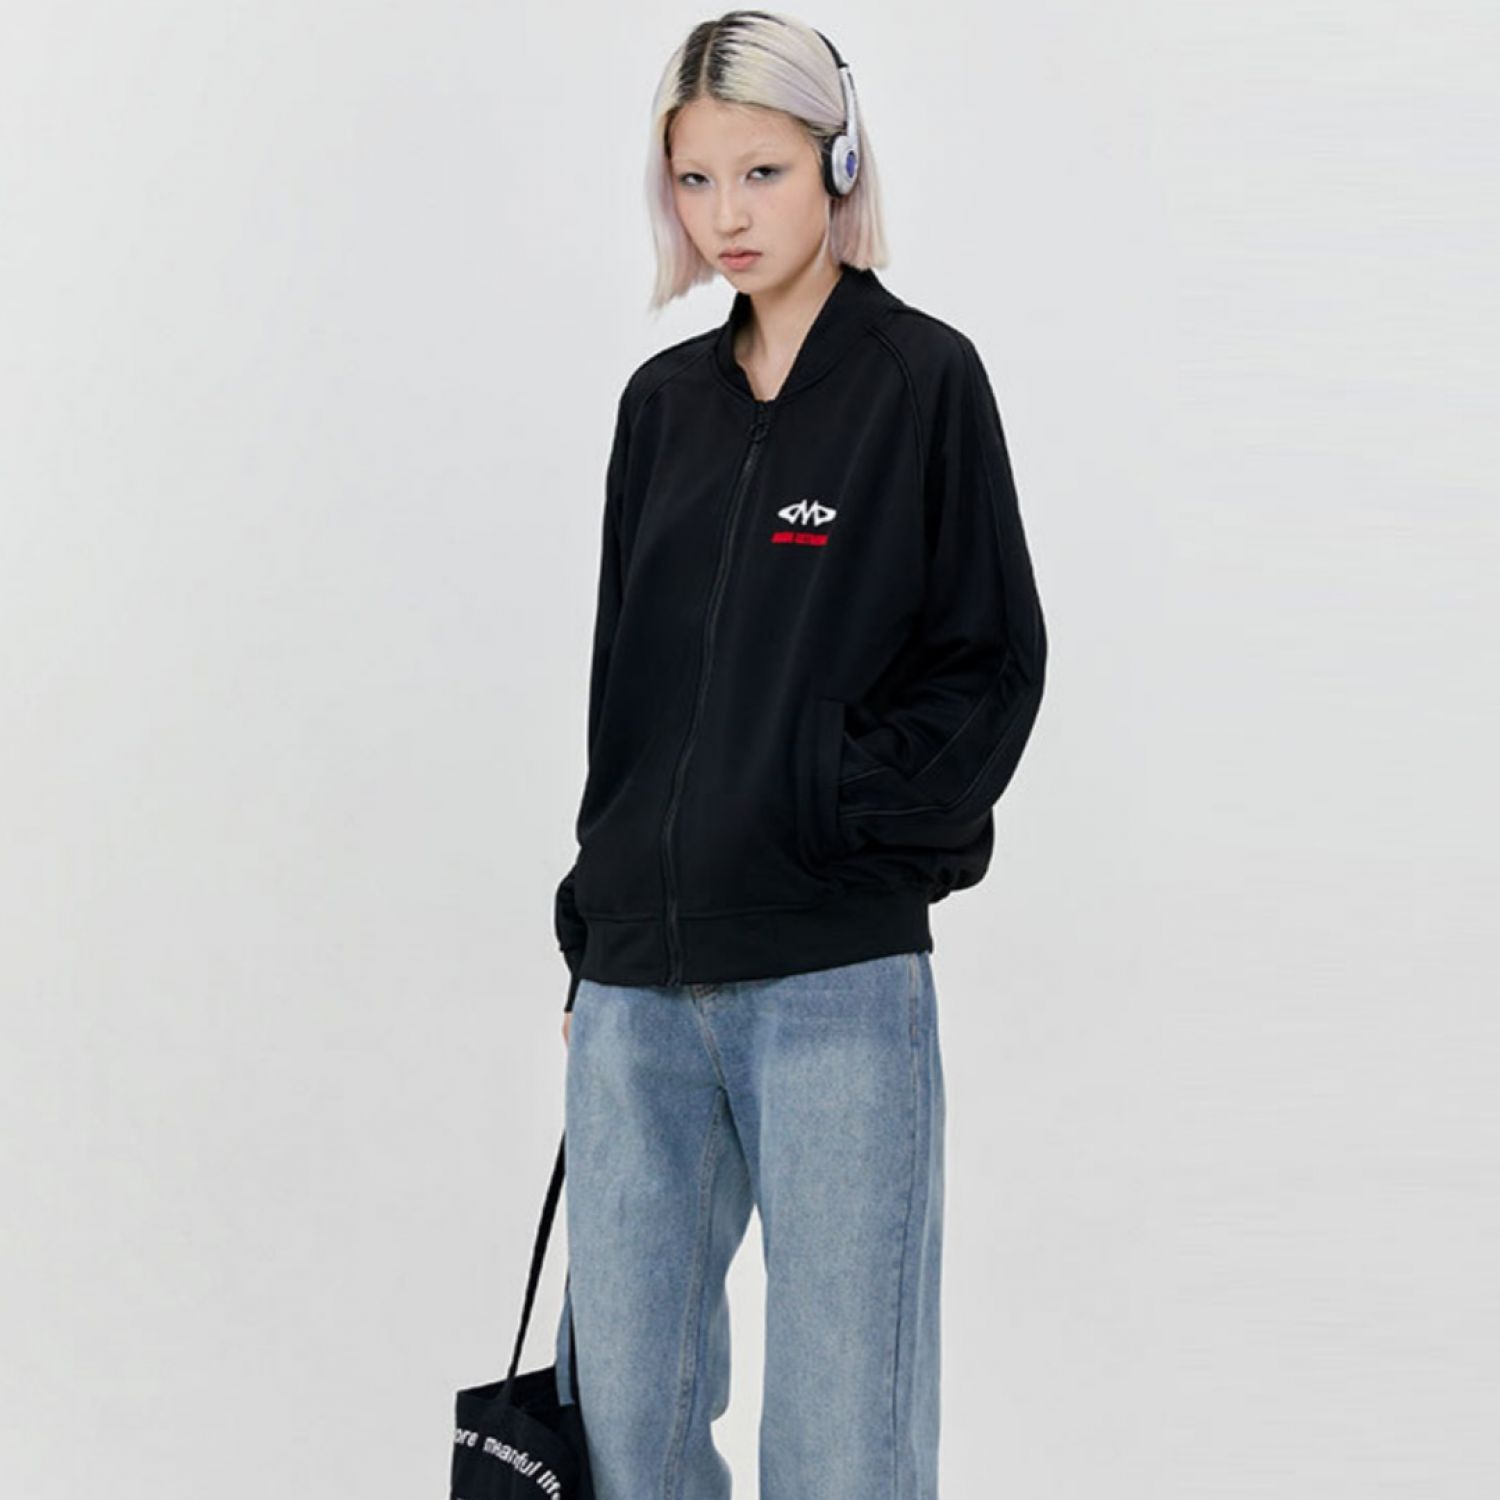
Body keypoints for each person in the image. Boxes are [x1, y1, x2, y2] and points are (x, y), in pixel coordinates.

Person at [550, 11, 1047, 1497]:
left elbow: (992, 663)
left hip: (835, 986)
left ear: (837, 164)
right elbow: (623, 694)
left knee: (844, 1439)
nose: (728, 215)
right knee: (622, 1434)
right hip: (636, 995)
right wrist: (596, 918)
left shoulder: (920, 383)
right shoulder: (662, 409)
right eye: (695, 179)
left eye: (761, 172)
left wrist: (831, 813)